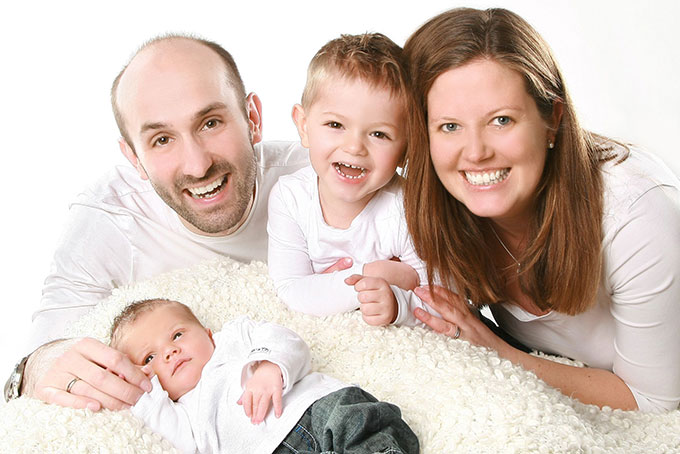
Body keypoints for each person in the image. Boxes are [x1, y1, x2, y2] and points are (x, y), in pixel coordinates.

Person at [9, 35, 359, 411]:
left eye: (210, 123)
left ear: (253, 119)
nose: (197, 165)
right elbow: (33, 362)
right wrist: (43, 366)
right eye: (161, 139)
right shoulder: (109, 218)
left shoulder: (323, 181)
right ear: (134, 158)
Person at [402, 7, 680, 412]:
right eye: (449, 126)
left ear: (552, 120)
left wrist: (495, 349)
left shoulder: (637, 215)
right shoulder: (441, 203)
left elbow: (656, 399)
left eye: (501, 120)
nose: (476, 152)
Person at [267, 33, 435, 326]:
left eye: (379, 134)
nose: (355, 147)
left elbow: (441, 300)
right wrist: (373, 273)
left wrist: (398, 307)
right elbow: (291, 290)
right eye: (335, 125)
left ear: (407, 149)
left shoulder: (407, 208)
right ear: (304, 126)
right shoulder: (290, 198)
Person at [109, 299, 419, 454]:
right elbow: (158, 421)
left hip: (312, 409)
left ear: (207, 334)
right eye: (149, 357)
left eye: (177, 335)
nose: (169, 352)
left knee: (358, 423)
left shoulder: (232, 339)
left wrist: (270, 365)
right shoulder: (182, 413)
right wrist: (141, 388)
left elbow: (286, 340)